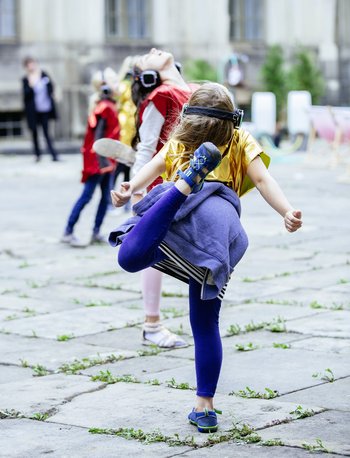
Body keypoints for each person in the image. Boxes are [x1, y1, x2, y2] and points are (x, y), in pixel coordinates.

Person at [109, 82, 302, 433]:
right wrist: (287, 211)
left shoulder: (181, 140)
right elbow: (263, 180)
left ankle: (186, 182)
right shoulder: (241, 140)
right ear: (233, 122)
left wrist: (129, 190)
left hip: (179, 218)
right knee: (205, 323)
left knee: (131, 255)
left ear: (188, 120)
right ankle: (205, 406)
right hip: (214, 237)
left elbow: (152, 168)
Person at [129, 48, 195, 348]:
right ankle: (152, 324)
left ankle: (202, 323)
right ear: (148, 75)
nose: (154, 50)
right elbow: (146, 149)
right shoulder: (161, 97)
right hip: (161, 187)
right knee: (154, 256)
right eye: (147, 55)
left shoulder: (193, 91)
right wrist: (136, 191)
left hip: (193, 184)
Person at [61, 69, 120, 247]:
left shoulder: (107, 105)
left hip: (105, 160)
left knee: (104, 198)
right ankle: (68, 231)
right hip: (99, 161)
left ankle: (96, 231)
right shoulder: (104, 107)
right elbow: (98, 139)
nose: (118, 84)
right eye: (114, 81)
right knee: (87, 196)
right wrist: (103, 163)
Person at [22, 57, 59, 162]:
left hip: (45, 108)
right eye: (29, 64)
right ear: (26, 67)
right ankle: (37, 155)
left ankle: (53, 155)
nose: (31, 66)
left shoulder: (43, 75)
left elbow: (51, 87)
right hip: (33, 111)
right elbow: (25, 95)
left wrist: (54, 94)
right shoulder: (26, 79)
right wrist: (31, 85)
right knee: (34, 133)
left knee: (47, 133)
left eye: (32, 63)